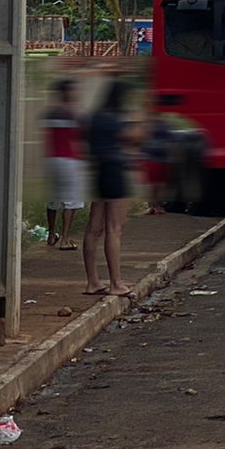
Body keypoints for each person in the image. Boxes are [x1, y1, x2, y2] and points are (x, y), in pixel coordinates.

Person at [82, 79, 141, 298]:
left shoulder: (96, 116)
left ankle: (92, 281)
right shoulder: (114, 119)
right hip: (115, 173)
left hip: (99, 172)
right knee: (114, 229)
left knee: (93, 229)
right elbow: (135, 137)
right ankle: (116, 283)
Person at [43, 79, 85, 251]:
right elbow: (80, 137)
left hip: (51, 160)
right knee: (71, 201)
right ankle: (65, 239)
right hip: (69, 160)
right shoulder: (72, 113)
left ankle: (51, 234)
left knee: (52, 200)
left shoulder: (50, 112)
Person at [142, 111, 173, 215]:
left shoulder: (165, 124)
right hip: (151, 158)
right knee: (152, 185)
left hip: (163, 158)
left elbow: (170, 139)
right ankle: (152, 206)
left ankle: (158, 205)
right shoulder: (147, 124)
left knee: (160, 185)